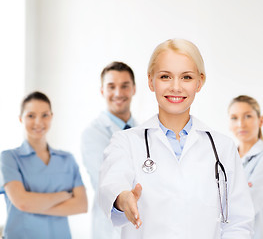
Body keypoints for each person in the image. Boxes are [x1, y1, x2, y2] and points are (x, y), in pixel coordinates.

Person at [99, 39, 254, 239]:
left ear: (200, 82)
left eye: (186, 77)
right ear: (150, 81)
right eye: (165, 76)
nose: (176, 87)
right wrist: (123, 199)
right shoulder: (126, 142)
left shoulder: (223, 147)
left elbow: (239, 223)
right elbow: (112, 183)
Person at [0, 91, 88, 239]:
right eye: (31, 115)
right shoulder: (9, 158)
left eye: (45, 115)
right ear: (21, 118)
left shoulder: (67, 159)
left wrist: (33, 204)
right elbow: (22, 203)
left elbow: (81, 205)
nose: (38, 122)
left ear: (51, 117)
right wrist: (63, 196)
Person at [81, 61, 136, 239]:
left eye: (124, 86)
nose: (118, 93)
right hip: (110, 230)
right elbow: (106, 182)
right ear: (102, 91)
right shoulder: (93, 133)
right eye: (111, 87)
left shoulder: (143, 131)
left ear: (133, 89)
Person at [228, 95, 263, 239]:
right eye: (234, 118)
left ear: (260, 120)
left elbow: (247, 205)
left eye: (248, 116)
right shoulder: (226, 159)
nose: (240, 124)